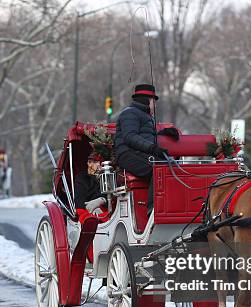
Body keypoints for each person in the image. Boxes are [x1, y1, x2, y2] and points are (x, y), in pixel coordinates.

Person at [115, 83, 179, 211]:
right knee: (159, 170)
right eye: (153, 101)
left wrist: (163, 133)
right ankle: (153, 212)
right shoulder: (130, 114)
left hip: (140, 153)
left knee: (170, 167)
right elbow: (130, 137)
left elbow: (145, 135)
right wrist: (153, 148)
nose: (155, 105)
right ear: (147, 100)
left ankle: (171, 208)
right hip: (127, 154)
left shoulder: (145, 116)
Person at [74, 151, 108, 222]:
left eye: (95, 162)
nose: (90, 165)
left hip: (104, 208)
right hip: (86, 208)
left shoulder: (107, 177)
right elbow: (79, 201)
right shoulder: (81, 178)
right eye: (89, 162)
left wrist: (102, 200)